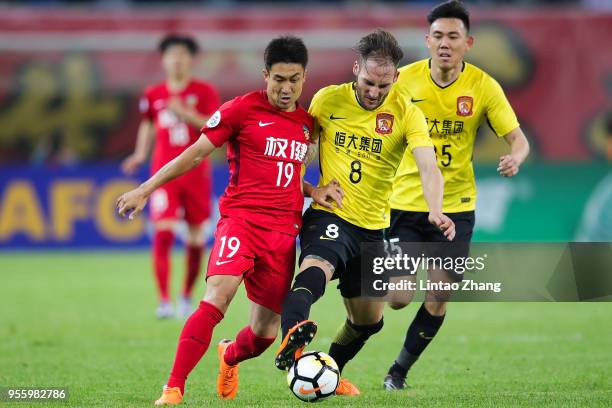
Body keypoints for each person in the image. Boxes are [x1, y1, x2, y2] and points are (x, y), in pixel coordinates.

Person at [117, 36, 330, 404]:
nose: (286, 87)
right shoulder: (241, 109)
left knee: (264, 334)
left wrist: (314, 192)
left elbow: (289, 174)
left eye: (294, 79)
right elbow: (196, 153)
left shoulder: (306, 124)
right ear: (265, 75)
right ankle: (174, 387)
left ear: (304, 77)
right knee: (217, 297)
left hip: (283, 234)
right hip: (241, 223)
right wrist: (145, 189)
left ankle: (229, 354)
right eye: (279, 78)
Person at [275, 29, 456, 395]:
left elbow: (428, 167)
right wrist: (312, 190)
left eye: (383, 85)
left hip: (373, 229)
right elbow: (300, 157)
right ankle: (291, 336)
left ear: (397, 78)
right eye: (368, 82)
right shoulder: (327, 101)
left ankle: (329, 369)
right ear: (355, 69)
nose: (374, 92)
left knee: (369, 321)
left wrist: (436, 210)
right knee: (316, 270)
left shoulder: (407, 113)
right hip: (331, 216)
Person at [382, 0, 530, 391]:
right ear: (427, 41)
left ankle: (398, 371)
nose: (444, 43)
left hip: (458, 204)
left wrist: (515, 158)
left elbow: (518, 139)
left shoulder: (483, 86)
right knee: (398, 296)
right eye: (438, 36)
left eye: (453, 36)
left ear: (468, 42)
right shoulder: (403, 80)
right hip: (404, 201)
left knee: (440, 294)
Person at [121, 34, 220, 319]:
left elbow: (214, 126)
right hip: (163, 174)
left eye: (182, 54)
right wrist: (140, 154)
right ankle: (164, 300)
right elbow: (148, 125)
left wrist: (186, 113)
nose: (177, 59)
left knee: (195, 237)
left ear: (191, 59)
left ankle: (186, 297)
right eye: (172, 54)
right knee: (162, 232)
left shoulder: (204, 91)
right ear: (164, 60)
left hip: (196, 173)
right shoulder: (153, 94)